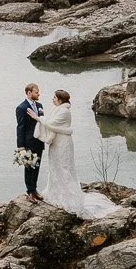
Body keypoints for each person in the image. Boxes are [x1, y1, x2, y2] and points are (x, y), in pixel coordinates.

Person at [34, 89, 121, 219]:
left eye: (54, 97)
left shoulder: (64, 112)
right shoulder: (57, 109)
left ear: (60, 100)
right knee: (55, 167)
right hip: (56, 142)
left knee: (64, 168)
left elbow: (51, 124)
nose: (52, 99)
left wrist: (38, 118)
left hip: (63, 143)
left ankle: (69, 197)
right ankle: (56, 192)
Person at [14, 83, 44, 197]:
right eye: (36, 92)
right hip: (28, 142)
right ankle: (30, 192)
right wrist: (20, 146)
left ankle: (35, 190)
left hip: (39, 141)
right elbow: (20, 127)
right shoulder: (21, 108)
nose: (38, 94)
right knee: (29, 167)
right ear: (29, 93)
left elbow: (42, 122)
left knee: (36, 166)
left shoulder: (40, 105)